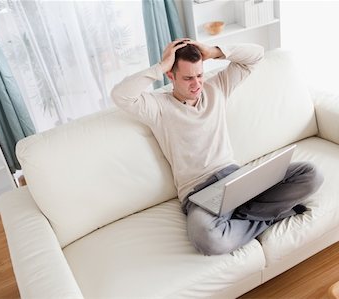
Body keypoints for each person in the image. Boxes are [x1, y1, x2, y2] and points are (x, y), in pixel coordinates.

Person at [111, 39, 323, 256]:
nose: (197, 84)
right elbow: (120, 95)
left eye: (200, 75)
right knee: (209, 240)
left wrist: (213, 52)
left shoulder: (217, 88)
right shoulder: (158, 107)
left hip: (236, 179)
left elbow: (256, 55)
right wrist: (161, 66)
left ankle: (239, 218)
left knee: (311, 175)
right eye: (188, 78)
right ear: (171, 76)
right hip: (199, 194)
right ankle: (272, 215)